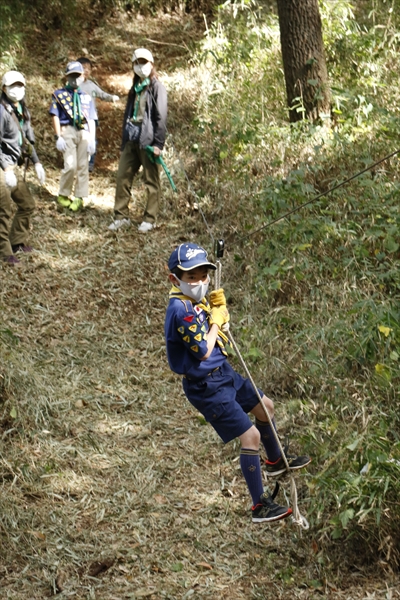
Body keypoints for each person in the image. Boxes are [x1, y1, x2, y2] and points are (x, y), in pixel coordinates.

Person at [164, 242, 311, 523]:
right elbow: (203, 349)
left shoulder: (195, 302)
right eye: (191, 277)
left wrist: (215, 308)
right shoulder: (180, 310)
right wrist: (217, 321)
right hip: (206, 386)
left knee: (265, 407)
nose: (199, 282)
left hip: (224, 372)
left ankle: (276, 461)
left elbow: (208, 324)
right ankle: (259, 506)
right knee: (251, 437)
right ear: (175, 279)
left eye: (203, 276)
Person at [108, 47, 167, 234]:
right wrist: (124, 139)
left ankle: (149, 218)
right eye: (137, 63)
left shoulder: (157, 87)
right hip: (132, 137)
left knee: (151, 181)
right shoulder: (135, 88)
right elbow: (128, 113)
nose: (141, 66)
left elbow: (161, 118)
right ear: (133, 66)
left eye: (144, 63)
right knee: (122, 177)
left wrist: (158, 144)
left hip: (148, 140)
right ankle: (121, 216)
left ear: (151, 64)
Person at [0, 70, 45, 266]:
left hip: (13, 165)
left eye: (20, 86)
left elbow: (26, 140)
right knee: (4, 208)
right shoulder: (1, 111)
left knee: (27, 204)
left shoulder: (22, 110)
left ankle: (17, 241)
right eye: (12, 86)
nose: (16, 90)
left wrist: (36, 162)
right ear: (4, 88)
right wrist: (6, 169)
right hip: (3, 166)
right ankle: (4, 252)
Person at [49, 61, 96, 212]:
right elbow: (55, 115)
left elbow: (91, 118)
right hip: (67, 130)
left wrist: (92, 139)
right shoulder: (59, 95)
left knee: (83, 165)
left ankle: (80, 196)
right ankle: (63, 194)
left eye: (78, 76)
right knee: (70, 165)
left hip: (83, 132)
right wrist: (58, 136)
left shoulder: (86, 97)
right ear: (66, 77)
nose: (75, 79)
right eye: (72, 76)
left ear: (83, 76)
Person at [76, 57, 119, 173]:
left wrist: (112, 98)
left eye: (88, 69)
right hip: (77, 118)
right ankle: (77, 162)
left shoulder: (91, 85)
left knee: (92, 141)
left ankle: (90, 164)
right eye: (83, 68)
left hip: (91, 117)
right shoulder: (74, 85)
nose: (86, 71)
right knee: (77, 139)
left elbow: (102, 94)